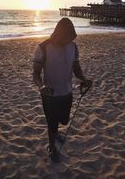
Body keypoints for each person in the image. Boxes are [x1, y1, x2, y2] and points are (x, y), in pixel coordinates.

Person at [32, 18, 92, 163]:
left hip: (67, 92)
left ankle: (55, 132)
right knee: (52, 123)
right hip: (50, 96)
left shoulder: (73, 47)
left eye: (71, 37)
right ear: (59, 33)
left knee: (63, 120)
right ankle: (51, 147)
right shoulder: (43, 47)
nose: (69, 40)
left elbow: (76, 68)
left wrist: (83, 79)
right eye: (67, 37)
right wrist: (41, 87)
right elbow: (35, 74)